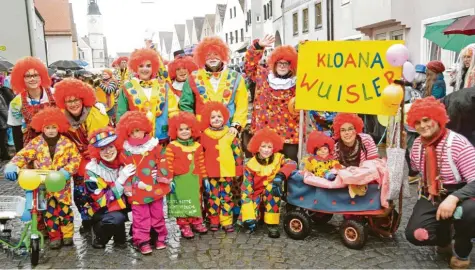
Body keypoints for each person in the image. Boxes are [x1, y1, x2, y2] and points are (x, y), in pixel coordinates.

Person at [404, 97, 475, 269]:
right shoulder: (417, 145)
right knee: (415, 234)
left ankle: (462, 249)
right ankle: (445, 239)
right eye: (418, 122)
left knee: (466, 213)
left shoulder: (458, 143)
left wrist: (454, 198)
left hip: (463, 193)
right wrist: (403, 148)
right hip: (432, 194)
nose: (423, 125)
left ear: (437, 118)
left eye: (426, 119)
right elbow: (413, 171)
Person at [4, 107, 80, 249]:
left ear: (59, 127)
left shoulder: (67, 143)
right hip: (44, 186)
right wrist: (13, 165)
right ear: (42, 128)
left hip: (62, 186)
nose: (51, 130)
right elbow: (23, 155)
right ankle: (54, 236)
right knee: (49, 212)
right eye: (47, 127)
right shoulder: (36, 143)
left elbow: (76, 159)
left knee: (65, 210)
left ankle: (68, 234)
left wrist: (66, 171)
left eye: (54, 127)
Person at [53, 79, 110, 233]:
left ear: (83, 99)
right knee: (79, 193)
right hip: (75, 160)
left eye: (76, 99)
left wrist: (92, 151)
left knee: (96, 190)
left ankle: (100, 218)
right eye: (68, 101)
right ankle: (86, 219)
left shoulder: (94, 114)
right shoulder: (61, 117)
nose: (73, 104)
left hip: (94, 159)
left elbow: (103, 139)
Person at [116, 111, 171, 255]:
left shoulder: (154, 146)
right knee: (140, 217)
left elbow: (163, 160)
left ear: (144, 129)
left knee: (157, 214)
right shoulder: (126, 150)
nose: (135, 134)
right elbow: (124, 169)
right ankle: (142, 241)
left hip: (154, 187)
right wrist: (127, 186)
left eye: (137, 130)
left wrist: (160, 175)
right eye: (132, 131)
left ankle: (160, 237)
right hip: (136, 189)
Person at [244, 35, 300, 162]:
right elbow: (249, 67)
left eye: (286, 63)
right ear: (274, 64)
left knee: (289, 170)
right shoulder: (263, 76)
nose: (282, 66)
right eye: (279, 63)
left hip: (290, 136)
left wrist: (307, 49)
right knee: (265, 171)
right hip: (266, 137)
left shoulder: (298, 84)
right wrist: (258, 47)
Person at [179, 36, 248, 136]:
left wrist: (236, 126)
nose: (212, 58)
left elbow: (242, 105)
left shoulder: (236, 77)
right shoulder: (193, 78)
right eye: (208, 55)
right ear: (202, 57)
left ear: (222, 55)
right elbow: (185, 105)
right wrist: (194, 127)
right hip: (203, 133)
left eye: (216, 54)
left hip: (229, 131)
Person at [240, 128, 296, 238]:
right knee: (250, 222)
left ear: (274, 148)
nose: (266, 150)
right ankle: (257, 216)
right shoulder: (250, 165)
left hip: (272, 193)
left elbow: (293, 163)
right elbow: (246, 190)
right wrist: (248, 216)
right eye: (263, 146)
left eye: (269, 147)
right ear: (257, 147)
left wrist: (281, 175)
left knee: (272, 188)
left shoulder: (279, 158)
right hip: (255, 196)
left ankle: (272, 224)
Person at [116, 48, 178, 144]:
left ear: (153, 67)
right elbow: (121, 114)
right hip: (137, 139)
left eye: (148, 66)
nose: (145, 69)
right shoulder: (127, 87)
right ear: (136, 67)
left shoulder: (164, 85)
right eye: (141, 66)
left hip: (161, 137)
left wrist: (176, 130)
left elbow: (173, 110)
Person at [200, 101, 242, 232]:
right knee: (212, 197)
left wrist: (238, 169)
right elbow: (200, 155)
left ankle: (226, 220)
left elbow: (237, 153)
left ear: (224, 117)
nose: (216, 119)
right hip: (210, 172)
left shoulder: (230, 133)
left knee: (227, 197)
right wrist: (202, 173)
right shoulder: (204, 135)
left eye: (219, 116)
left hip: (227, 172)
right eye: (213, 117)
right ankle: (213, 220)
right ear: (208, 119)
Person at [165, 112, 208, 239]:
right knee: (182, 201)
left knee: (196, 200)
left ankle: (196, 221)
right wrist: (169, 179)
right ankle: (184, 225)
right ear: (175, 131)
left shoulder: (198, 146)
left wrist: (205, 178)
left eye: (187, 129)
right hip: (179, 181)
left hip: (195, 179)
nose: (184, 132)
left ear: (192, 129)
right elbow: (168, 164)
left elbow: (201, 163)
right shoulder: (172, 146)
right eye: (181, 129)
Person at [85, 127, 128, 249]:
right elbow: (101, 201)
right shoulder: (92, 171)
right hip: (100, 210)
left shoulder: (122, 162)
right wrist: (120, 181)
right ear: (96, 152)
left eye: (110, 147)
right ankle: (99, 235)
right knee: (116, 218)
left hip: (119, 206)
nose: (108, 152)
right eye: (102, 149)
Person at [7, 56, 56, 151]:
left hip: (58, 144)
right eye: (28, 76)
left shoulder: (55, 94)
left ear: (41, 76)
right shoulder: (16, 103)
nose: (32, 79)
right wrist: (20, 156)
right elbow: (16, 131)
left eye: (36, 75)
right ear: (21, 78)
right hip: (32, 147)